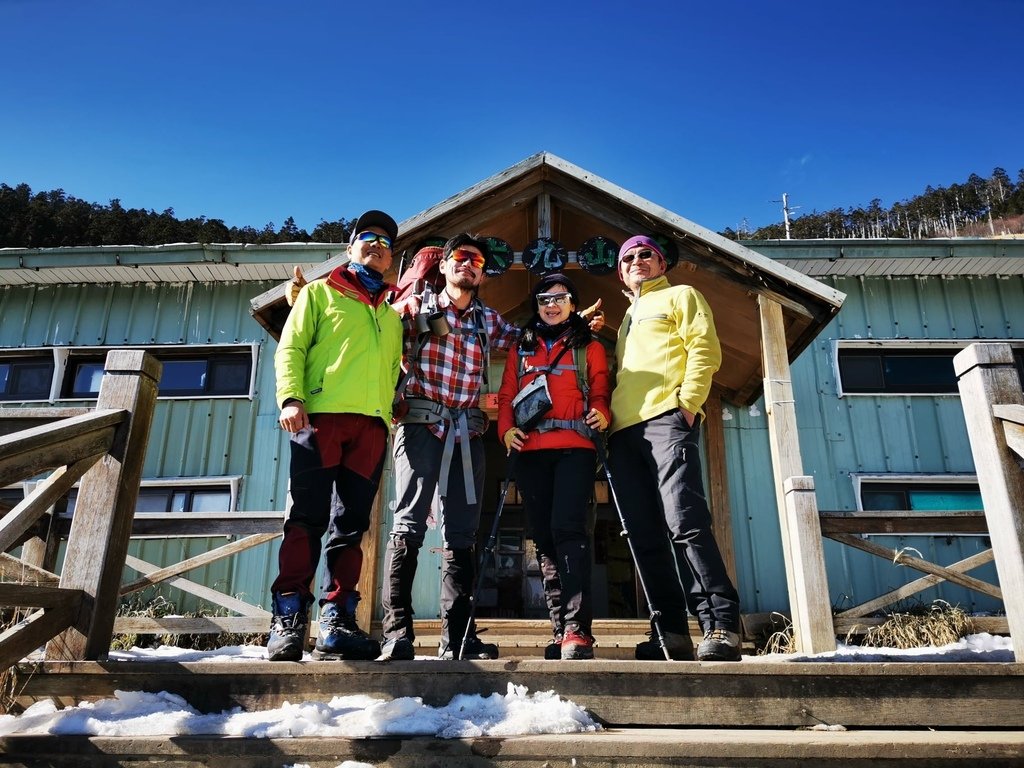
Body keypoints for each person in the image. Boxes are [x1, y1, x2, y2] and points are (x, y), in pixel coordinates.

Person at [377, 233, 523, 661]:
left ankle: (458, 638)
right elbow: (373, 331)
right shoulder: (413, 308)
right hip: (421, 425)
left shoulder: (488, 321)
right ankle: (396, 635)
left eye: (477, 260)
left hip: (467, 434)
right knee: (408, 526)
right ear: (443, 266)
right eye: (460, 257)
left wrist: (571, 325)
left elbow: (527, 341)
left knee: (462, 535)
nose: (469, 264)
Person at [267, 210, 404, 662]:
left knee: (352, 527)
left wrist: (391, 410)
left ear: (391, 259)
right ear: (350, 248)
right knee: (306, 518)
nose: (377, 245)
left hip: (371, 428)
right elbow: (292, 347)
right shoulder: (319, 295)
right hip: (318, 419)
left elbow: (391, 371)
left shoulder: (391, 315)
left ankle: (338, 621)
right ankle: (288, 619)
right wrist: (290, 397)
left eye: (385, 242)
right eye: (367, 237)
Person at [607, 235, 742, 662]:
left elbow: (704, 348)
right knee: (643, 534)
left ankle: (720, 626)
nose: (636, 260)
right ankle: (670, 633)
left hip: (668, 417)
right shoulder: (627, 316)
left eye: (645, 253)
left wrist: (687, 404)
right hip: (623, 433)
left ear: (662, 262)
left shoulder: (682, 295)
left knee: (684, 520)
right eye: (627, 257)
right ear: (620, 271)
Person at [497, 273, 610, 660]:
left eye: (560, 297)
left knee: (568, 531)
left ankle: (578, 631)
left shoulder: (589, 346)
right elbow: (508, 393)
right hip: (531, 451)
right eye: (545, 297)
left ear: (573, 304)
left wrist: (602, 413)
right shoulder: (521, 347)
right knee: (543, 538)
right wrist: (506, 430)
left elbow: (599, 389)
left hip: (575, 449)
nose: (552, 303)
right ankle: (559, 628)